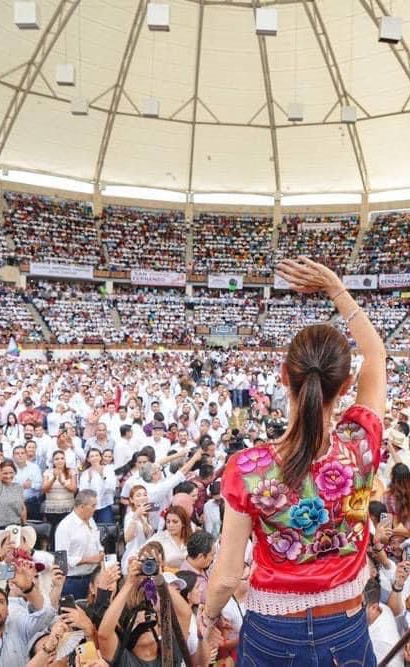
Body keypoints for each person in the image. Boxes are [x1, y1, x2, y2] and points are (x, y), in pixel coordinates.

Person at [201, 257, 387, 666]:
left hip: (272, 630)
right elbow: (375, 353)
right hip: (346, 624)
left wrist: (208, 615)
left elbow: (229, 575)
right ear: (347, 384)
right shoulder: (362, 443)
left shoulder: (248, 468)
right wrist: (336, 289)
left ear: (283, 376)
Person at [54, 489, 103, 599]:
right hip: (74, 582)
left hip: (92, 578)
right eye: (93, 506)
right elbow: (61, 561)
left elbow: (96, 542)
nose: (96, 509)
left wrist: (100, 552)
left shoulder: (91, 520)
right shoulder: (65, 527)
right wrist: (89, 559)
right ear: (81, 507)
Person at [0, 450, 25, 529]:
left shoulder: (18, 487)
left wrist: (24, 525)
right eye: (5, 473)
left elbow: (23, 508)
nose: (8, 476)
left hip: (15, 527)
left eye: (11, 473)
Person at [147, 505, 192, 571]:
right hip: (167, 578)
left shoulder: (191, 539)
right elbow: (140, 553)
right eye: (168, 521)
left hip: (189, 578)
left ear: (183, 523)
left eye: (175, 522)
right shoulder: (159, 537)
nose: (170, 525)